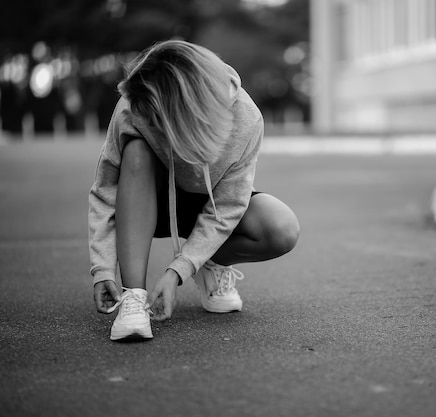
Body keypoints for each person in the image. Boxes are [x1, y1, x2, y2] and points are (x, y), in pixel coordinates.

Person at [88, 40, 299, 341]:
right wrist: (103, 269)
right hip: (146, 203)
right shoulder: (137, 100)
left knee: (282, 227)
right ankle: (133, 296)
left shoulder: (247, 118)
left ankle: (210, 262)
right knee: (136, 153)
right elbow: (106, 191)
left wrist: (180, 270)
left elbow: (228, 206)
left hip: (210, 202)